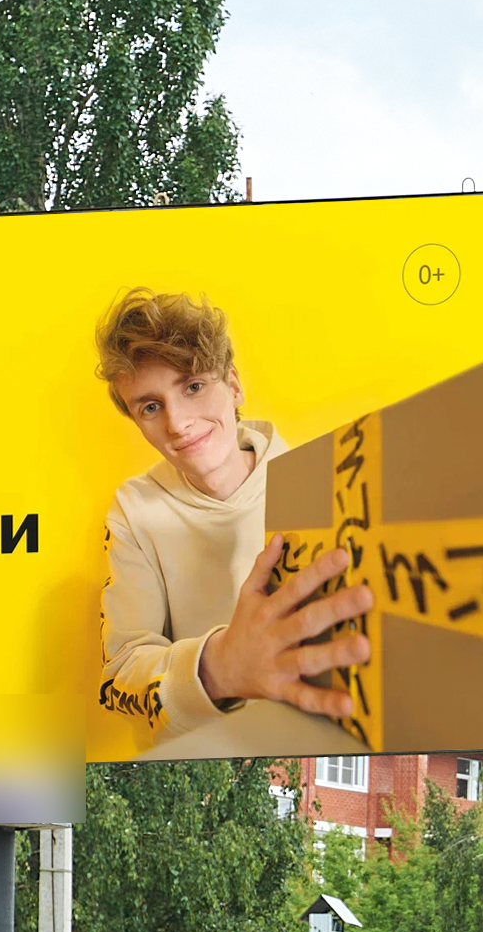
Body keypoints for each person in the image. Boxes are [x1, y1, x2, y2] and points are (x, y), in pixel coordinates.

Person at [86, 289, 377, 762]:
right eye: (150, 407)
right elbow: (121, 672)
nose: (178, 423)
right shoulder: (135, 509)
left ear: (234, 386)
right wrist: (220, 668)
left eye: (193, 386)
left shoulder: (332, 481)